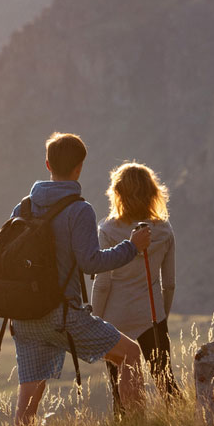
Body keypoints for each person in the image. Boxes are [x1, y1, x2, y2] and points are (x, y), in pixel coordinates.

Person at [8, 132, 152, 426]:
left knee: (29, 395)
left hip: (24, 316)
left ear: (47, 164)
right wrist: (132, 247)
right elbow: (91, 263)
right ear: (79, 168)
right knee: (131, 355)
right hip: (63, 315)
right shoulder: (79, 210)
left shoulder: (22, 208)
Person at [93, 161, 178, 397]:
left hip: (114, 320)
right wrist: (162, 319)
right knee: (167, 384)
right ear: (153, 193)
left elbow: (102, 284)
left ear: (117, 193)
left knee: (121, 393)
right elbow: (169, 283)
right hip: (151, 316)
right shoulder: (163, 230)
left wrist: (95, 324)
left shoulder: (107, 231)